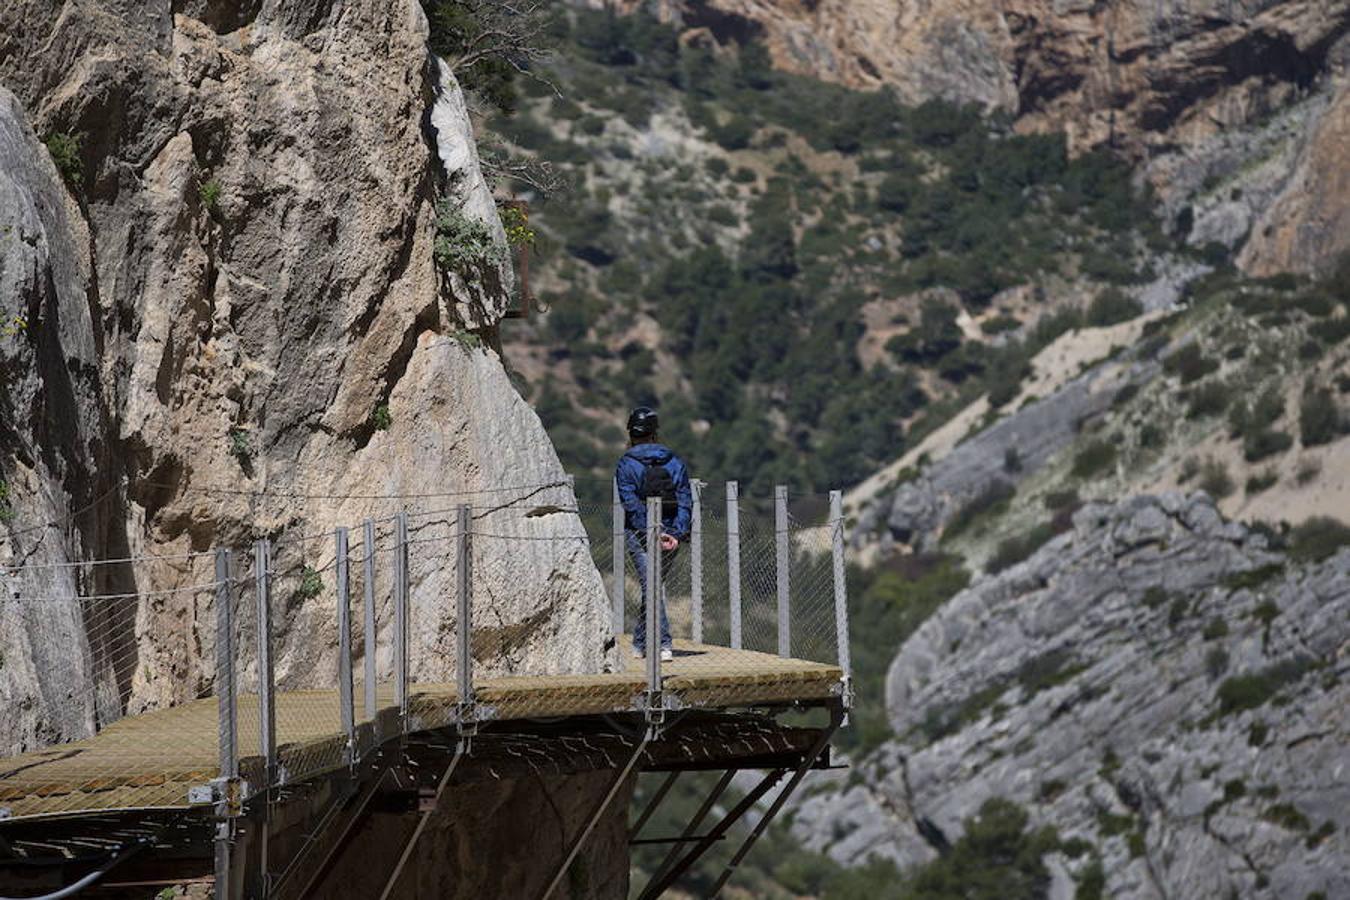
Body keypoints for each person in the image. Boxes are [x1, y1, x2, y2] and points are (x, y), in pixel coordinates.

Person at [615, 406, 692, 662]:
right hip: (670, 535)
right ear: (655, 434)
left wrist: (651, 533)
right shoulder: (675, 462)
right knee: (653, 586)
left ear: (631, 434)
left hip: (640, 536)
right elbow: (685, 501)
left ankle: (663, 643)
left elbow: (632, 505)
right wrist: (676, 534)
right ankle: (639, 642)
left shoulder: (626, 465)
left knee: (651, 587)